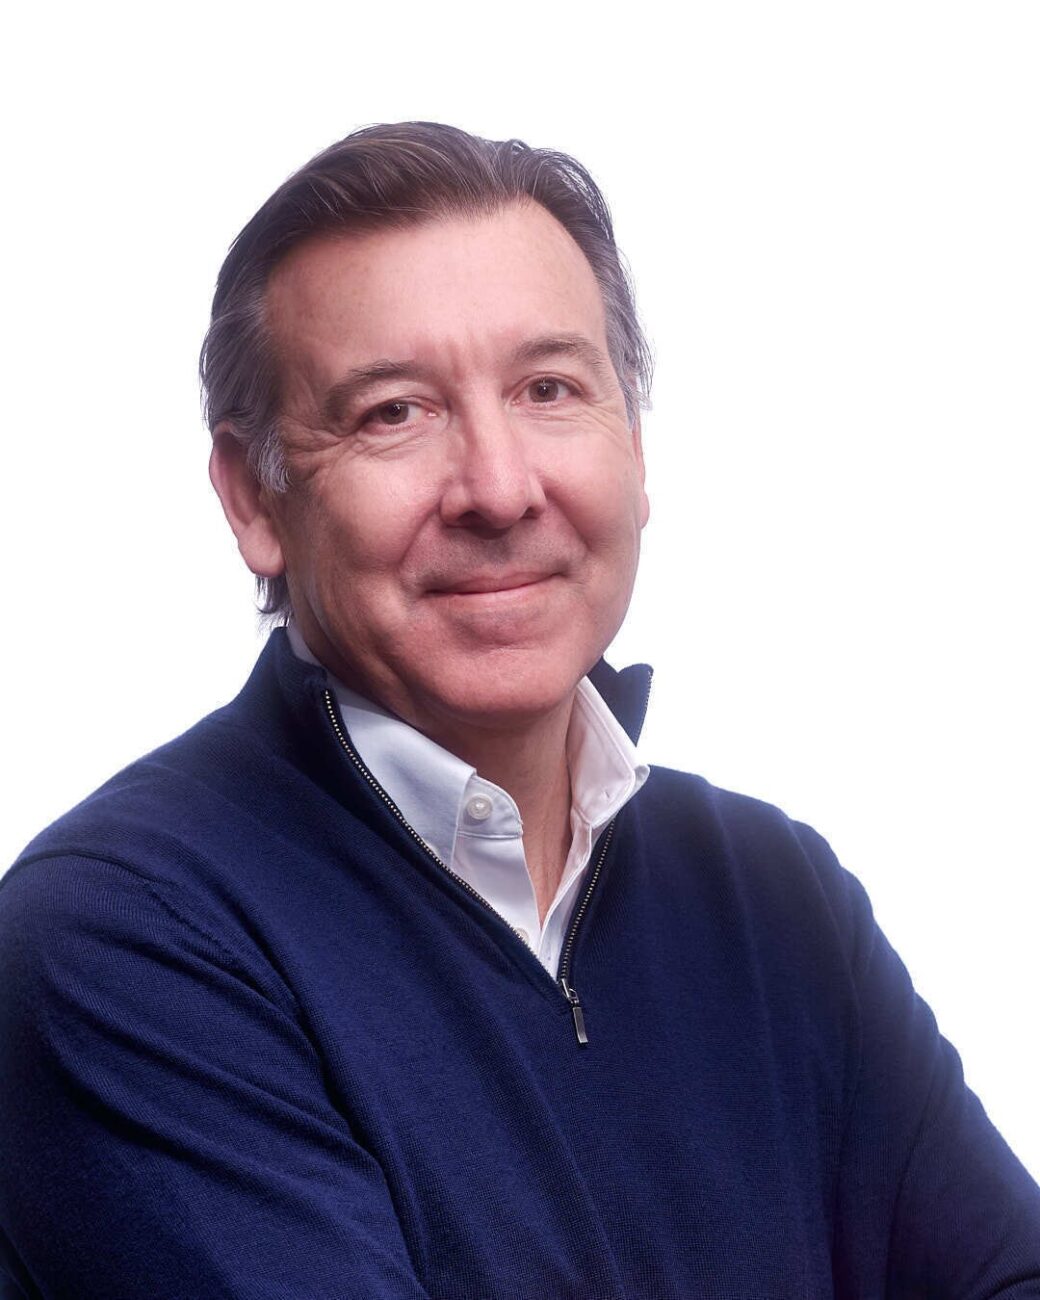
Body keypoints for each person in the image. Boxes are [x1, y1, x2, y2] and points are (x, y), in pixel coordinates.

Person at [0, 122, 1037, 1300]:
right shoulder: (118, 941)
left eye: (548, 389)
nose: (496, 488)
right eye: (394, 412)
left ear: (631, 445)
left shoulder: (773, 899)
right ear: (253, 498)